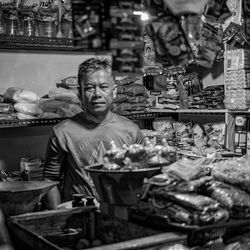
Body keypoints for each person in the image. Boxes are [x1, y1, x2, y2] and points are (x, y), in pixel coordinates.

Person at [43, 57, 144, 209]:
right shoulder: (62, 132)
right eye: (90, 87)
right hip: (77, 215)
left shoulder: (131, 130)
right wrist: (56, 218)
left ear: (114, 91)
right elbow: (50, 180)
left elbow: (142, 176)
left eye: (104, 87)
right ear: (80, 93)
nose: (97, 94)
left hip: (120, 213)